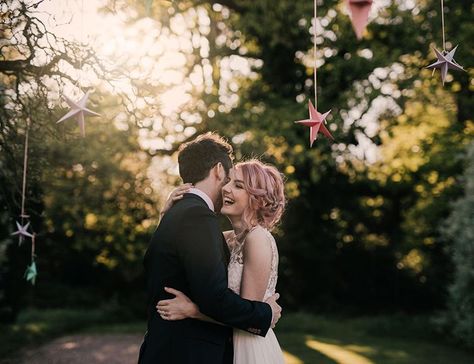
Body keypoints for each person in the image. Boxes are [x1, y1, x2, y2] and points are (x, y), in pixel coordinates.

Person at [138, 133, 282, 364]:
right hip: (186, 353)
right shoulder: (200, 219)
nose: (227, 189)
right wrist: (264, 314)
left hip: (228, 347)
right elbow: (214, 297)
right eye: (230, 181)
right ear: (218, 170)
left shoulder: (186, 216)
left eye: (238, 186)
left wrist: (193, 310)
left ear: (255, 197)